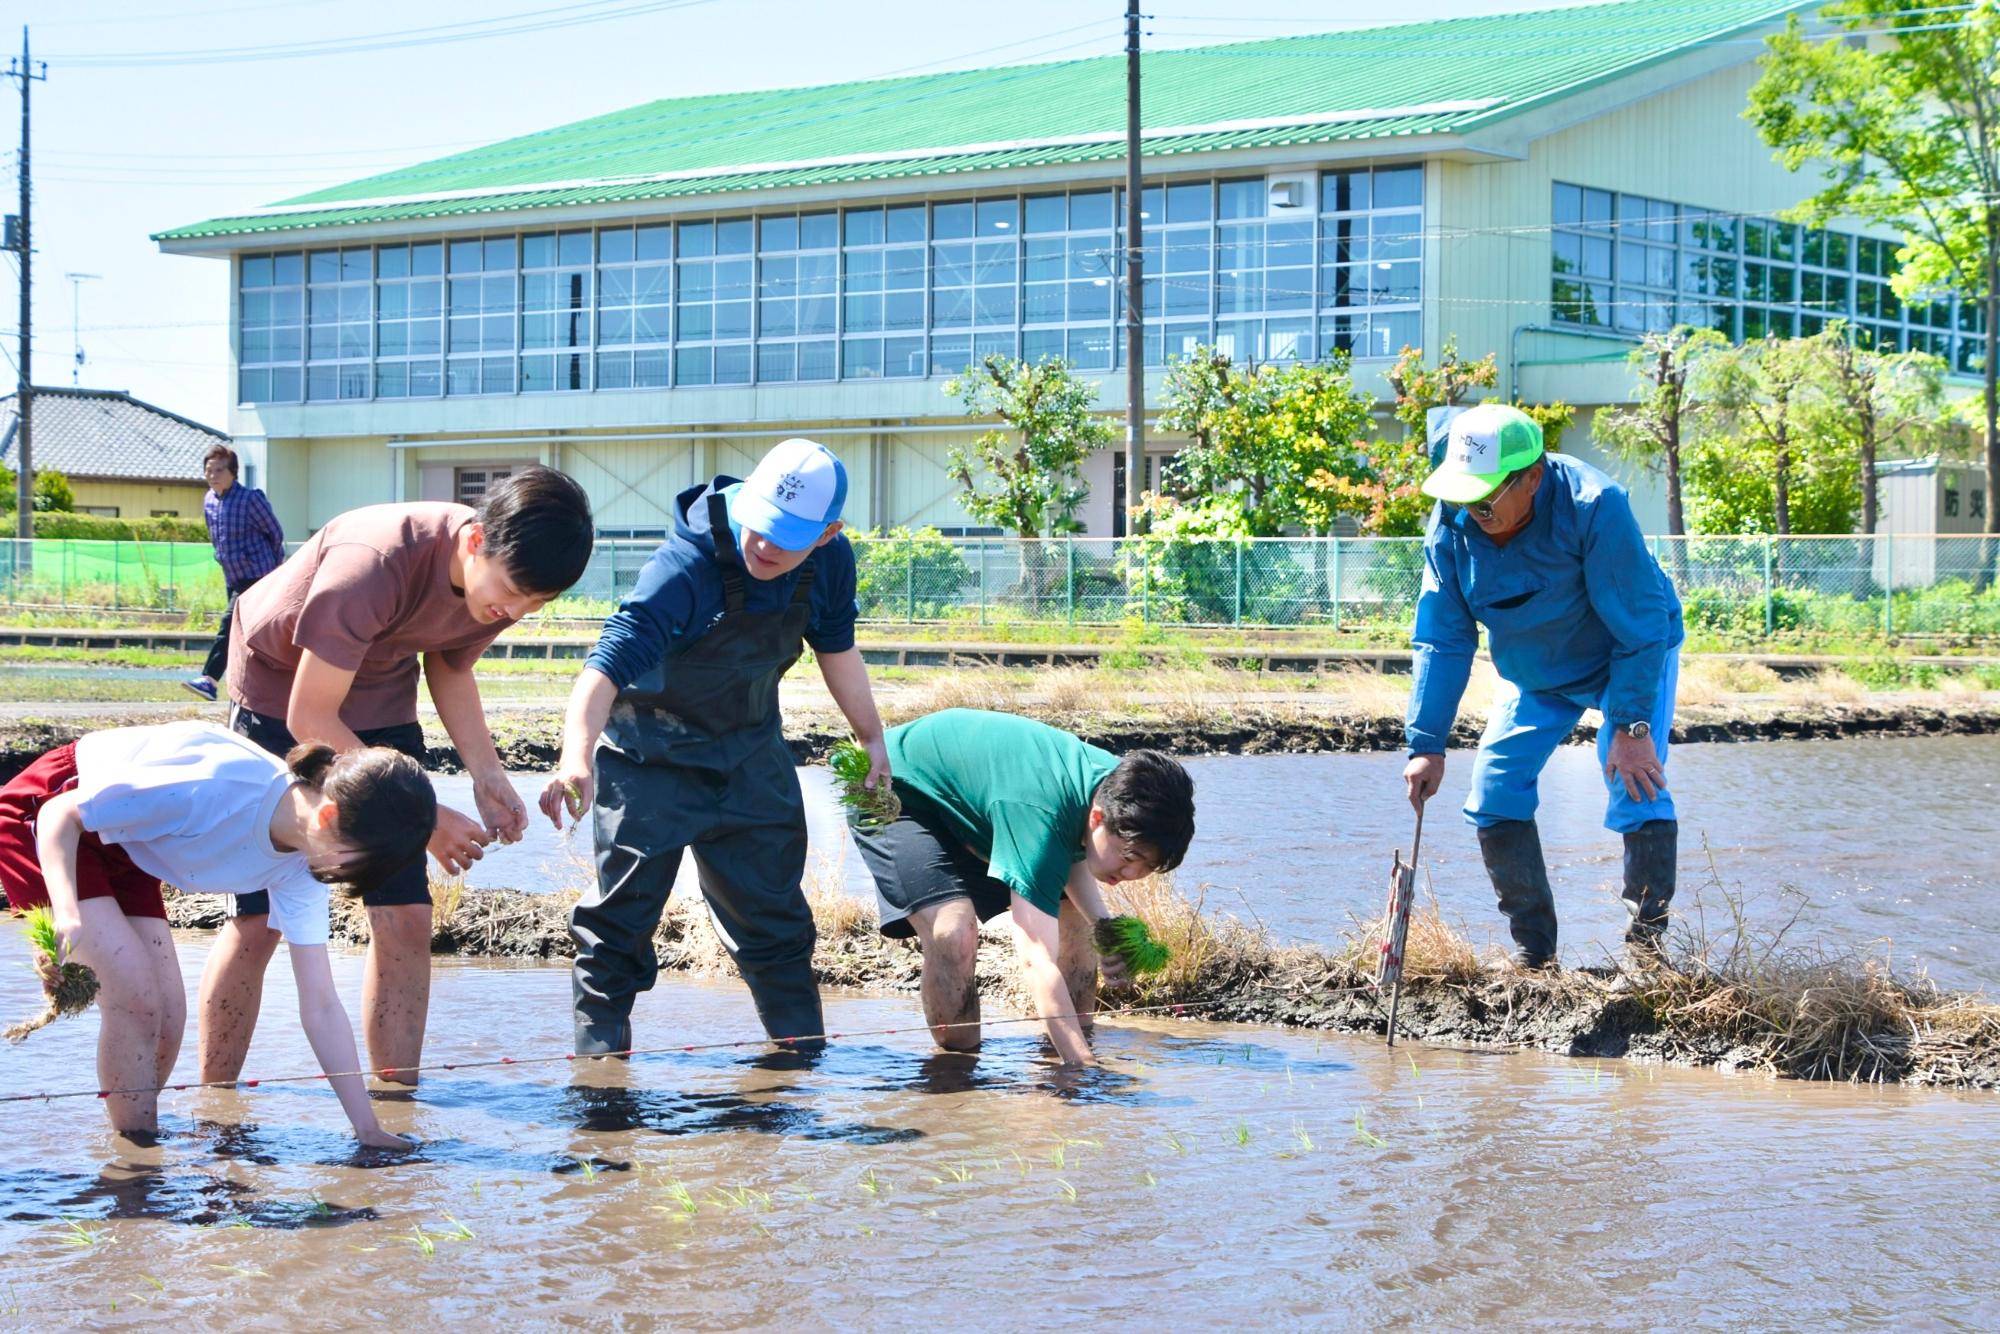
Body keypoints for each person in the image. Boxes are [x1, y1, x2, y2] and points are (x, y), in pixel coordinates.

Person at [199, 466, 595, 1086]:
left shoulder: (497, 584)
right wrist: (425, 817)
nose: (514, 612)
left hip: (380, 695)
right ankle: (215, 1107)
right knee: (259, 920)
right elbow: (312, 715)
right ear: (474, 541)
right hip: (282, 699)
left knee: (406, 916)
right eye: (513, 591)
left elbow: (451, 663)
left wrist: (487, 776)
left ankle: (395, 1105)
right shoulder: (374, 561)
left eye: (535, 604)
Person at [538, 437, 889, 1057]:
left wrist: (871, 736)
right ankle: (600, 1088)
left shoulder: (829, 563)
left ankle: (800, 1069)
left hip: (750, 753)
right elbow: (606, 666)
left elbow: (837, 646)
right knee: (618, 924)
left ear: (828, 532)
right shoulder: (686, 565)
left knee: (775, 921)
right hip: (649, 760)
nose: (763, 544)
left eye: (786, 535)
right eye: (759, 523)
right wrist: (575, 755)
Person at [0, 720, 435, 1146]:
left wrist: (366, 1128)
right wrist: (68, 911)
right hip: (47, 814)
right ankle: (135, 1169)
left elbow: (320, 1005)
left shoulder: (305, 864)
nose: (346, 877)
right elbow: (63, 812)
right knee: (135, 1001)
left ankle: (135, 1146)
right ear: (328, 815)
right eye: (354, 862)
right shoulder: (219, 785)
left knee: (168, 1017)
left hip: (127, 844)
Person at [1401, 403, 1684, 971]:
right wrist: (1426, 742)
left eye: (1485, 494)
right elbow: (1443, 639)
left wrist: (1631, 727)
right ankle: (1535, 953)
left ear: (1531, 477)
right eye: (1461, 494)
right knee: (1495, 787)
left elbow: (1640, 624)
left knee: (1633, 775)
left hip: (1622, 655)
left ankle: (1647, 950)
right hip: (1536, 672)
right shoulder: (1453, 525)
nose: (1470, 508)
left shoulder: (1593, 506)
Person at [850, 708, 1196, 1067]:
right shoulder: (1040, 812)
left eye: (1147, 867)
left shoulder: (1120, 788)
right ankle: (956, 1070)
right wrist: (1086, 1071)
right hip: (892, 785)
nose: (1131, 873)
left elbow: (1070, 848)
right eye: (1129, 857)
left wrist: (1103, 927)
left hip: (981, 806)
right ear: (1097, 818)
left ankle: (1067, 1043)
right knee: (954, 931)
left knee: (1075, 924)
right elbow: (1035, 959)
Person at [185, 444, 286, 703]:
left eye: (219, 470)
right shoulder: (209, 501)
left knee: (228, 624)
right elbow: (215, 537)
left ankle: (208, 680)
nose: (213, 475)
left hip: (259, 574)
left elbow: (275, 533)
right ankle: (259, 683)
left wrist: (274, 569)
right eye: (209, 470)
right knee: (248, 634)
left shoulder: (250, 499)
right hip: (233, 576)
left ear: (233, 472)